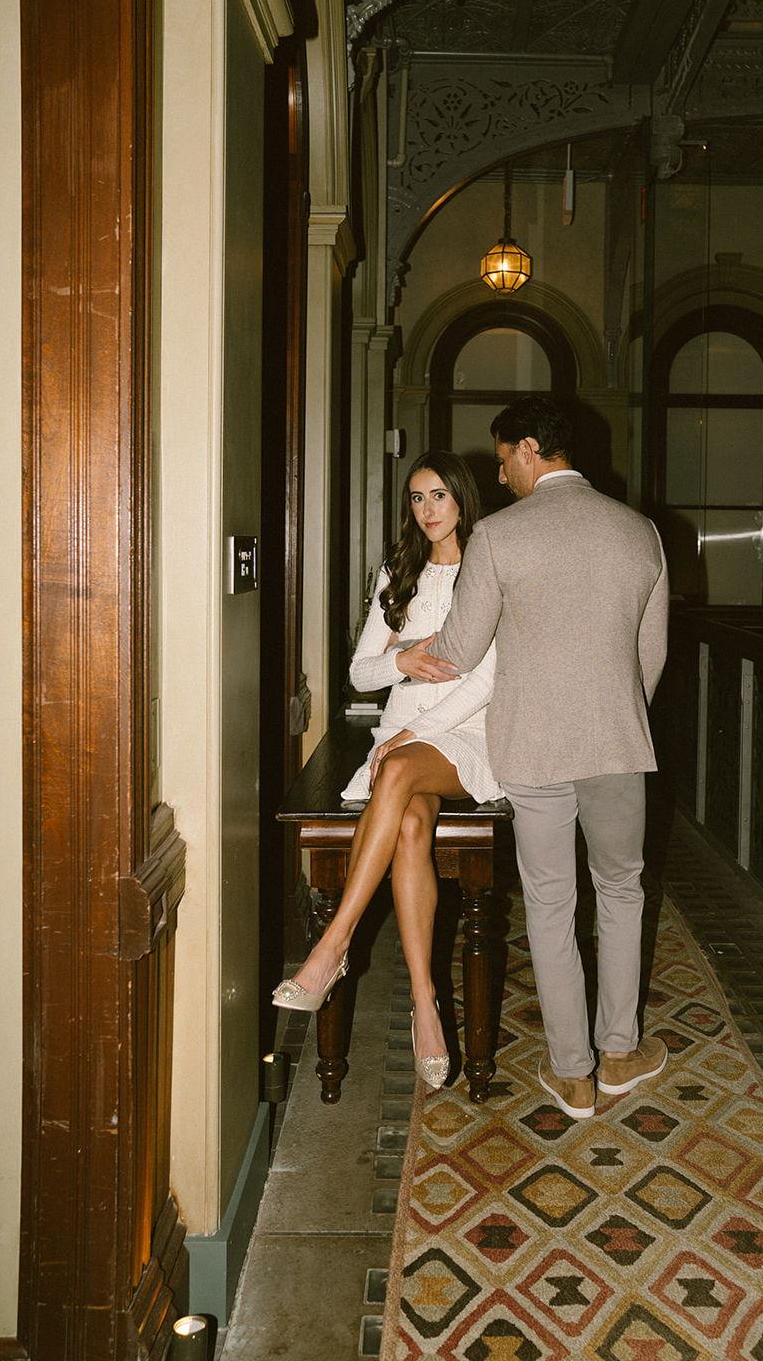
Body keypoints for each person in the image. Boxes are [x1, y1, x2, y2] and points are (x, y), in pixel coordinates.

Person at [400, 395, 670, 1120]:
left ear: (527, 449)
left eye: (501, 460)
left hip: (532, 746)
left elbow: (460, 650)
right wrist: (613, 714)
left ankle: (573, 1074)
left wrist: (396, 652)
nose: (499, 475)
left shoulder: (498, 535)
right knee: (621, 890)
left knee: (551, 903)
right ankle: (621, 1054)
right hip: (617, 743)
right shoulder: (639, 531)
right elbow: (650, 657)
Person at [270, 450, 501, 1091]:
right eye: (416, 498)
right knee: (409, 825)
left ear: (462, 498)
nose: (427, 510)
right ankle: (426, 1002)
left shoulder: (490, 568)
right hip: (402, 734)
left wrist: (411, 733)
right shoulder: (398, 572)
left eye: (438, 495)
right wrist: (405, 658)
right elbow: (360, 672)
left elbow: (485, 680)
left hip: (465, 735)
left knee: (396, 772)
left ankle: (333, 946)